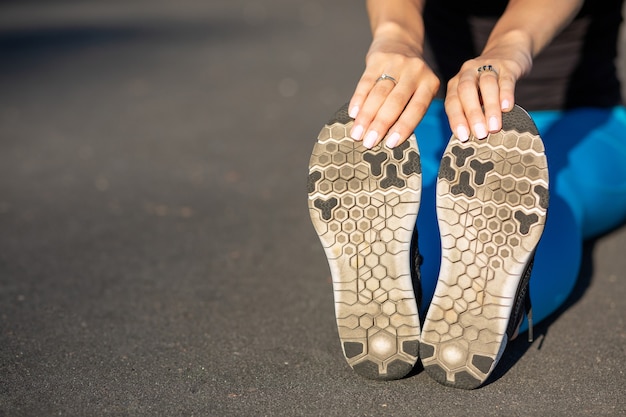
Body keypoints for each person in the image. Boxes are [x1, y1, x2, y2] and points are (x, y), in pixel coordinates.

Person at [307, 0, 626, 389]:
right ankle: (466, 317)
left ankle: (413, 303)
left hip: (580, 117)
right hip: (443, 115)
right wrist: (396, 38)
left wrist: (507, 50)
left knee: (537, 199)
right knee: (521, 206)